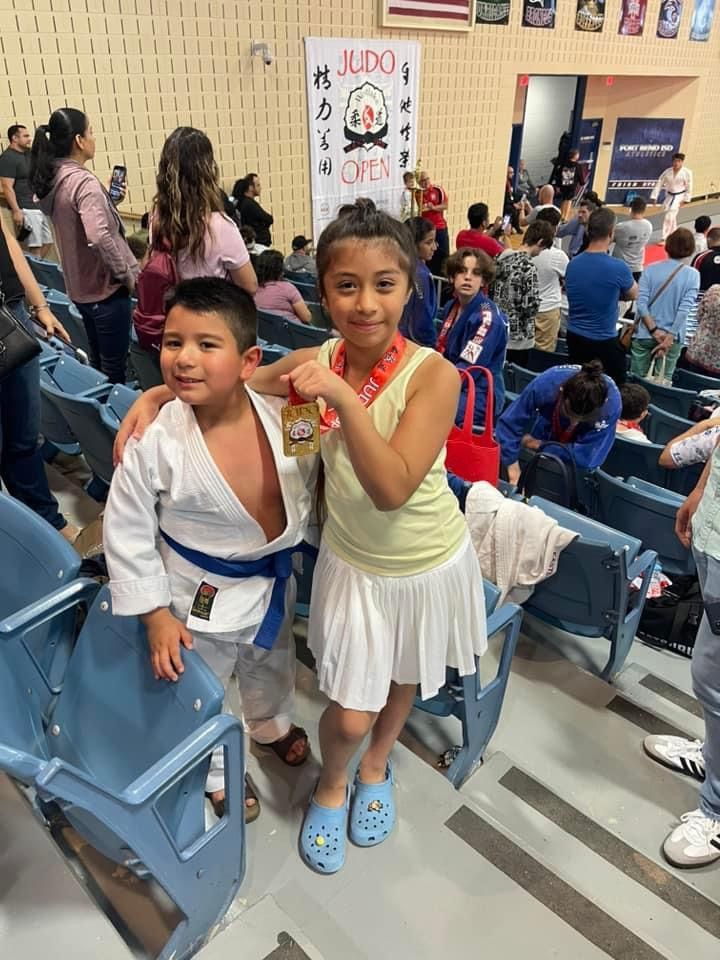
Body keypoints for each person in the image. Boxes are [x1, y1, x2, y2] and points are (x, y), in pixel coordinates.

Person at [115, 198, 487, 875]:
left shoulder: (435, 374)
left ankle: (377, 767)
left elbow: (393, 487)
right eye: (347, 285)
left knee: (402, 677)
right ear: (324, 290)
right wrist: (156, 397)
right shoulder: (318, 360)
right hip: (353, 564)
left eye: (385, 284)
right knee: (347, 713)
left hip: (429, 558)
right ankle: (334, 779)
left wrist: (341, 398)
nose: (366, 303)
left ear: (409, 287)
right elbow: (231, 381)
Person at [104, 278, 316, 823]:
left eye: (206, 344)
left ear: (249, 360)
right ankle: (217, 768)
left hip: (270, 581)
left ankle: (269, 725)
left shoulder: (284, 411)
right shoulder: (155, 439)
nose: (184, 359)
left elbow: (308, 470)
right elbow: (126, 530)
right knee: (204, 683)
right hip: (200, 592)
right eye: (173, 343)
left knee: (271, 661)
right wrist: (153, 614)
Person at [30, 108, 138, 384]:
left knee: (100, 362)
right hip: (106, 289)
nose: (93, 138)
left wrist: (109, 204)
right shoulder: (83, 182)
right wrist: (125, 275)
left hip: (80, 289)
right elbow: (99, 237)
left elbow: (75, 221)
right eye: (90, 132)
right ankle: (118, 424)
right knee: (115, 371)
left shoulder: (53, 178)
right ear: (79, 140)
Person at [659, 443, 720, 866]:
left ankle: (716, 808)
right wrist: (702, 488)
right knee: (709, 674)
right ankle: (711, 756)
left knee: (713, 681)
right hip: (714, 533)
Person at [0, 216, 77, 542]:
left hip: (10, 311)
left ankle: (50, 522)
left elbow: (9, 244)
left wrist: (40, 305)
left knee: (24, 435)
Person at [496, 361, 622, 485]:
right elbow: (509, 423)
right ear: (562, 391)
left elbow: (585, 456)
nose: (574, 422)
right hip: (549, 423)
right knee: (532, 474)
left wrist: (541, 445)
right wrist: (513, 470)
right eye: (570, 414)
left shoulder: (611, 406)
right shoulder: (548, 383)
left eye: (581, 418)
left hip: (582, 445)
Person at [565, 208, 638, 385]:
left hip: (574, 337)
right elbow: (634, 293)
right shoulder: (618, 267)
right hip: (603, 341)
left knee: (579, 385)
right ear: (611, 233)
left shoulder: (573, 264)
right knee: (614, 386)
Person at [437, 248, 508, 426]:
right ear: (452, 277)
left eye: (476, 273)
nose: (468, 277)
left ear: (483, 280)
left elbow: (471, 367)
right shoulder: (450, 307)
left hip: (478, 392)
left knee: (427, 413)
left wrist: (434, 388)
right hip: (454, 382)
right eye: (462, 271)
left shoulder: (487, 319)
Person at [630, 228, 699, 380]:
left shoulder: (650, 269)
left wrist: (654, 331)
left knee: (635, 381)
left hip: (644, 333)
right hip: (672, 338)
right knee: (663, 381)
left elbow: (641, 303)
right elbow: (684, 309)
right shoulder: (693, 275)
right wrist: (669, 336)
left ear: (668, 245)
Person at [492, 220, 553, 366]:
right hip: (518, 337)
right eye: (543, 248)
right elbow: (529, 307)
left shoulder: (500, 259)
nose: (540, 253)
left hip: (498, 329)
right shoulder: (529, 267)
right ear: (540, 242)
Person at [0, 123, 53, 258]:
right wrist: (17, 211)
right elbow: (7, 187)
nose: (29, 139)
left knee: (48, 242)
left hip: (38, 205)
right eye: (25, 136)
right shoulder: (8, 158)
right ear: (14, 138)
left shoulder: (28, 154)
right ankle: (33, 275)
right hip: (26, 208)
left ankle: (35, 269)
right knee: (35, 246)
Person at [533, 208, 568, 352]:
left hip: (525, 310)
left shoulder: (523, 251)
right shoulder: (557, 256)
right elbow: (570, 280)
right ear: (554, 229)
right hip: (547, 312)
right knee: (543, 354)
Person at [400, 217, 438, 348]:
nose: (434, 247)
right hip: (414, 343)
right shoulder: (420, 275)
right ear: (413, 245)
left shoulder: (400, 264)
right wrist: (431, 344)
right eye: (429, 243)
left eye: (434, 242)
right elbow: (422, 317)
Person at [255, 249, 311, 324]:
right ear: (280, 269)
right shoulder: (288, 288)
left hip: (266, 334)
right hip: (293, 333)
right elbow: (307, 318)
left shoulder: (253, 290)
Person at [650, 152, 693, 241]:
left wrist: (686, 199)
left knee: (669, 216)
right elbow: (659, 183)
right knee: (671, 217)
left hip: (679, 196)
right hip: (669, 196)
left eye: (679, 161)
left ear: (682, 162)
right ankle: (675, 233)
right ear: (672, 161)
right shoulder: (667, 172)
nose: (676, 163)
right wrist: (654, 196)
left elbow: (689, 186)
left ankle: (665, 237)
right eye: (675, 161)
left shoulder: (687, 172)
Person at [612, 198, 653, 287]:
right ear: (644, 210)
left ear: (631, 209)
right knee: (632, 296)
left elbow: (610, 239)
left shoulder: (621, 227)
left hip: (620, 266)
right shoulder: (649, 225)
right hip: (637, 267)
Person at [418, 170, 449, 275]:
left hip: (439, 228)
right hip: (426, 230)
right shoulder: (417, 193)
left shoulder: (437, 190)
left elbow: (445, 205)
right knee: (429, 258)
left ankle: (444, 284)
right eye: (422, 181)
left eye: (427, 179)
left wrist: (434, 208)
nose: (425, 182)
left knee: (442, 256)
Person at [685, 284, 720, 376]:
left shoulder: (714, 290)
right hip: (717, 363)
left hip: (698, 351)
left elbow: (698, 316)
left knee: (691, 384)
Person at [233, 172, 274, 246]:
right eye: (258, 185)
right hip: (258, 243)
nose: (260, 188)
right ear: (250, 187)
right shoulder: (249, 204)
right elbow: (268, 219)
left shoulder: (242, 202)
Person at [551, 148, 583, 223]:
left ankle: (561, 216)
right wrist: (582, 183)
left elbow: (559, 175)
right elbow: (579, 175)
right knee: (568, 201)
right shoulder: (577, 166)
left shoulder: (564, 164)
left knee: (564, 200)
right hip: (571, 186)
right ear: (575, 156)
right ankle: (565, 217)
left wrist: (558, 185)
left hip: (563, 185)